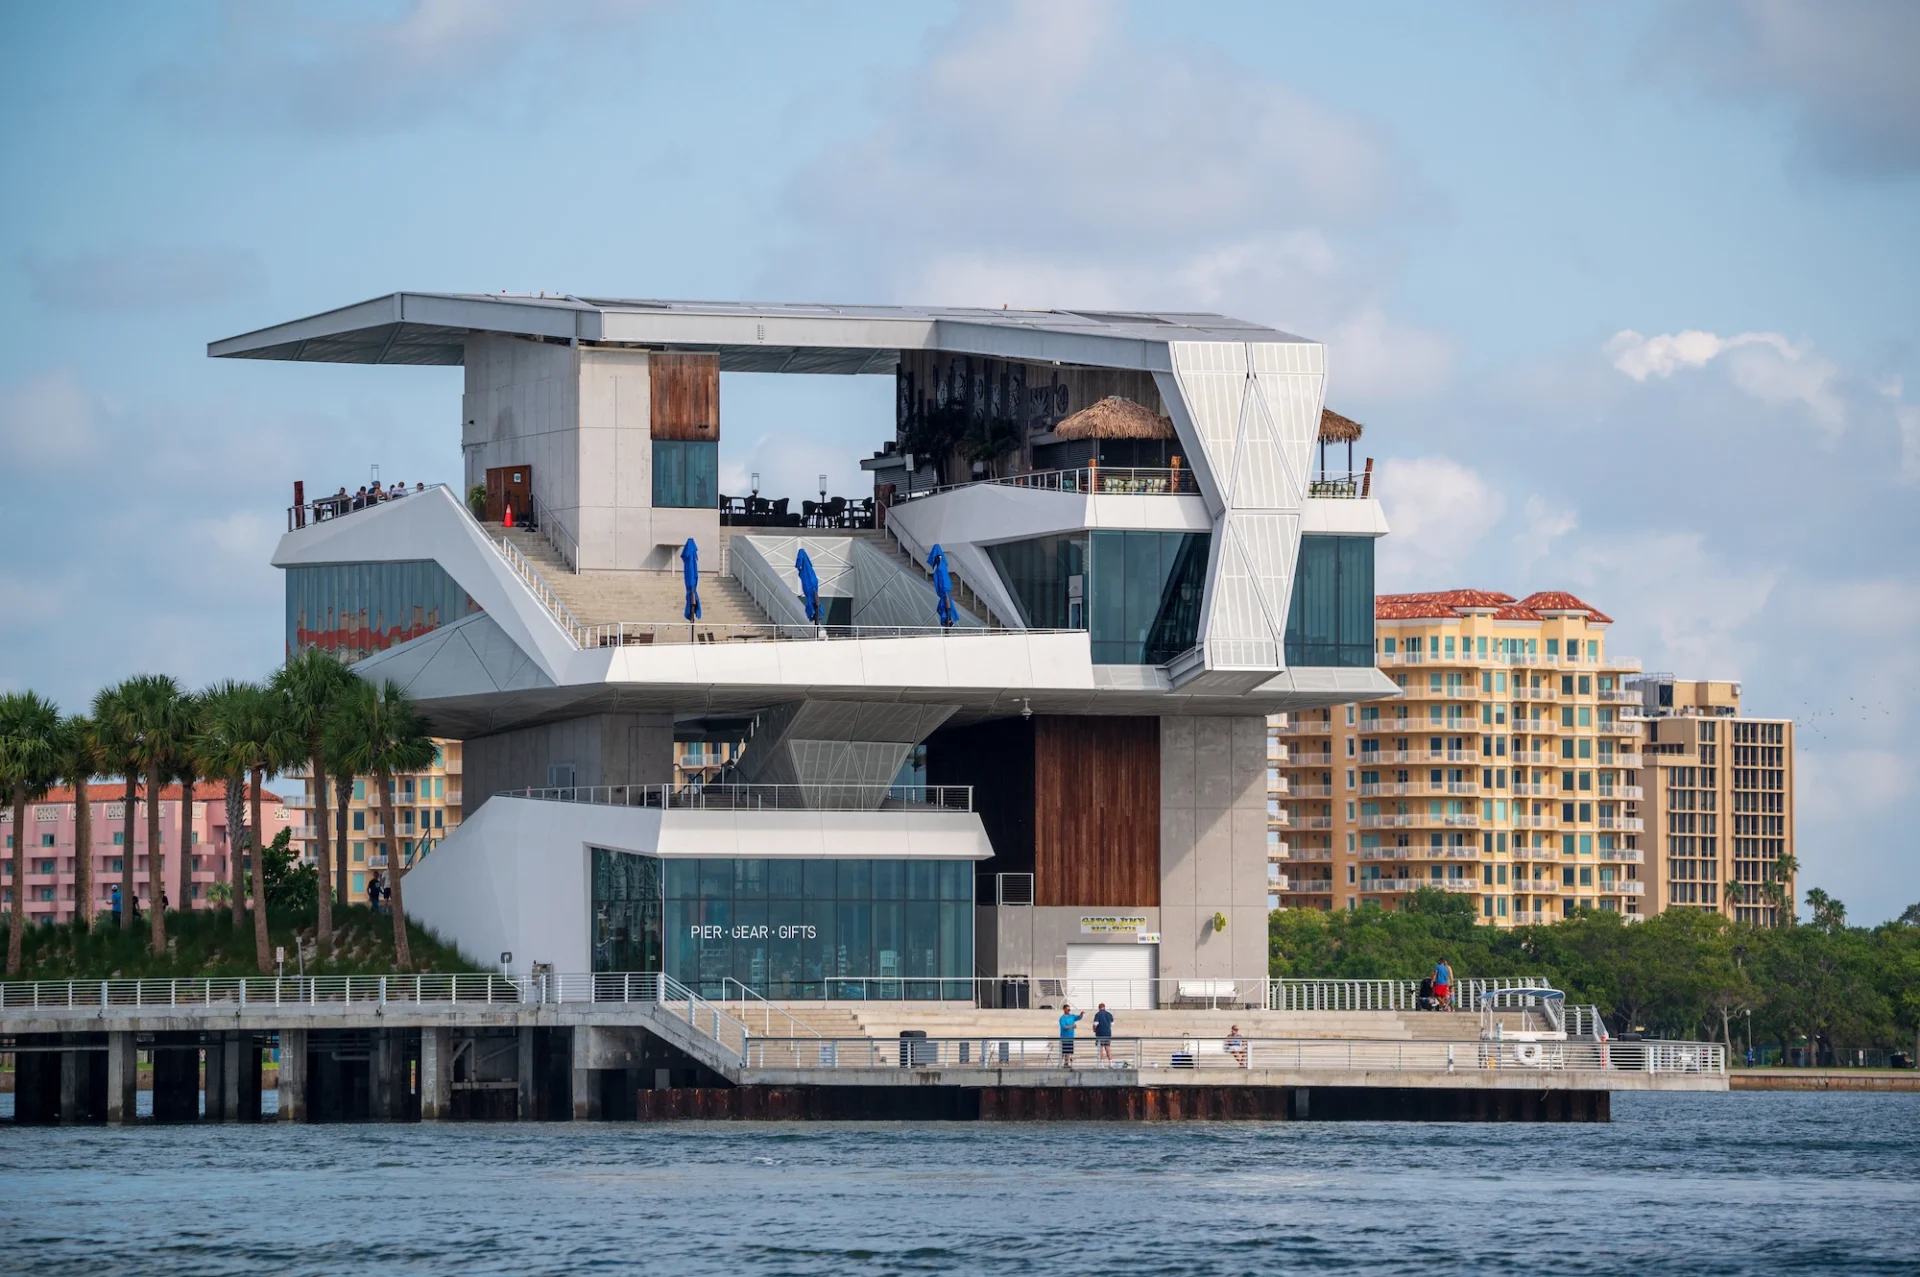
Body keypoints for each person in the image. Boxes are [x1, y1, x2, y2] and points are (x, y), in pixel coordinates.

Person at [1057, 1004, 1085, 1068]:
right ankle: (1060, 1064)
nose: (1069, 1010)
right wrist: (1072, 1026)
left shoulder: (1072, 1016)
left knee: (1068, 1052)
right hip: (1064, 1037)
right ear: (1064, 1009)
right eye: (1068, 1009)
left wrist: (1081, 1014)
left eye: (1069, 1009)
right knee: (1063, 1052)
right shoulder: (1062, 1018)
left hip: (1071, 1037)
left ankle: (1066, 1064)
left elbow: (1079, 1017)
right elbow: (1064, 1027)